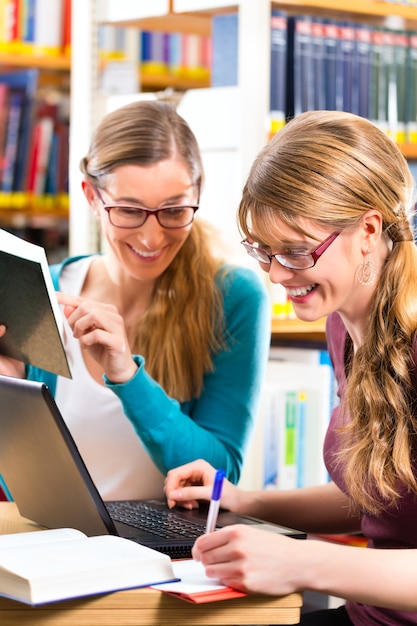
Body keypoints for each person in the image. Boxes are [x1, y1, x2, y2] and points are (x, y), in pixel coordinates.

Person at [164, 110, 417, 625]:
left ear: (368, 229)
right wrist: (248, 500)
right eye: (263, 250)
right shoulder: (344, 324)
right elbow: (386, 497)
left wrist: (303, 561)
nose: (278, 274)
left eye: (297, 252)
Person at [0, 100, 270, 501]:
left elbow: (220, 475)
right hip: (54, 547)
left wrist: (127, 374)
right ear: (91, 197)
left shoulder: (233, 297)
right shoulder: (43, 292)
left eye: (174, 210)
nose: (151, 237)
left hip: (169, 557)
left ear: (198, 194)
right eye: (129, 211)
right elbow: (23, 490)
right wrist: (10, 392)